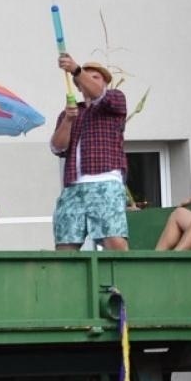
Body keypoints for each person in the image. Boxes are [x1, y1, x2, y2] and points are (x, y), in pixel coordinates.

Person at [50, 55, 129, 251]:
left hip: (105, 181)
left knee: (113, 240)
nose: (91, 81)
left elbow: (99, 95)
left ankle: (123, 281)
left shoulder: (115, 100)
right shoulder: (69, 112)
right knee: (65, 245)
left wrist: (76, 69)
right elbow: (57, 148)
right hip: (72, 187)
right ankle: (67, 282)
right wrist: (68, 121)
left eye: (96, 77)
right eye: (87, 77)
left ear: (105, 83)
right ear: (78, 86)